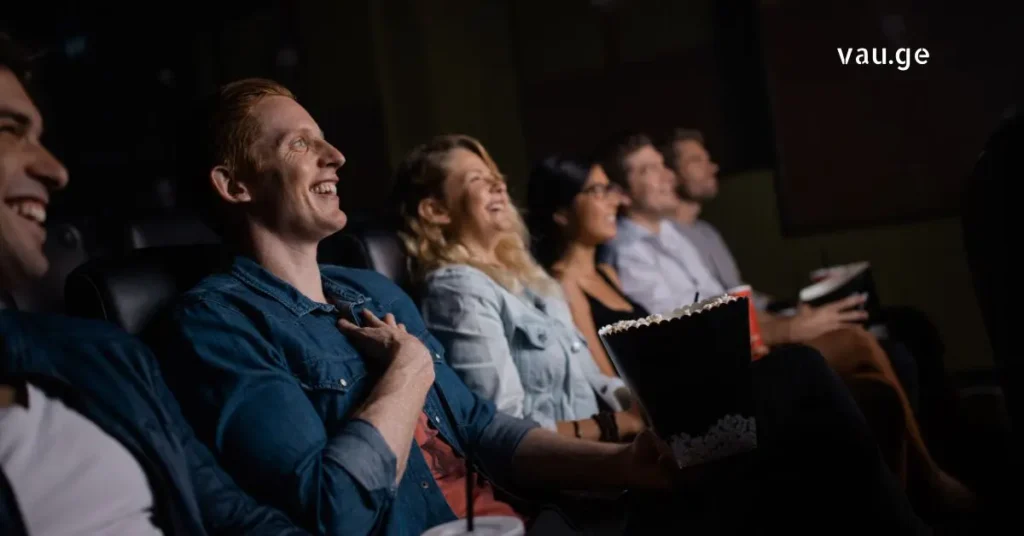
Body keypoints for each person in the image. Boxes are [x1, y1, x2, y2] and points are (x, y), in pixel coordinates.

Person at [157, 80, 929, 534]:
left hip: (533, 516)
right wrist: (409, 370)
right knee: (793, 390)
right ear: (235, 186)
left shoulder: (374, 294)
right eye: (301, 145)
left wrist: (626, 462)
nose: (336, 158)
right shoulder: (216, 324)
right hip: (507, 525)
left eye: (328, 141)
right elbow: (336, 512)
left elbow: (489, 430)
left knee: (797, 405)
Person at [0, 35, 307, 536]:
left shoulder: (105, 357)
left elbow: (233, 518)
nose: (55, 171)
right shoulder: (214, 320)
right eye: (8, 130)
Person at [601, 130, 973, 508]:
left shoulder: (672, 234)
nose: (666, 176)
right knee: (857, 342)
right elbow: (696, 328)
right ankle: (928, 480)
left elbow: (731, 301)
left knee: (880, 387)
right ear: (625, 193)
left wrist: (793, 316)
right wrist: (791, 327)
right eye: (649, 170)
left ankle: (900, 498)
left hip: (746, 345)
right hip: (717, 377)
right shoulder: (629, 252)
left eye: (663, 165)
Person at [395, 134, 643, 442]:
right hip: (564, 476)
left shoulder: (528, 275)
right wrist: (614, 426)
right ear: (436, 211)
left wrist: (643, 408)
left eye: (495, 177)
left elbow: (591, 379)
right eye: (477, 180)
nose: (499, 185)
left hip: (603, 454)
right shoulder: (457, 288)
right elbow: (503, 427)